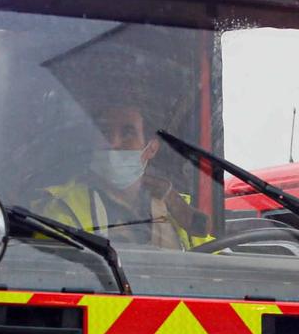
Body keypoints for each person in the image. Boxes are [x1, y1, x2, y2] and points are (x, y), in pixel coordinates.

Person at [40, 100, 203, 248]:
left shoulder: (177, 210)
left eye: (128, 133)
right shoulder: (62, 208)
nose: (113, 143)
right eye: (104, 132)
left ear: (151, 148)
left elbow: (215, 261)